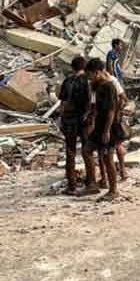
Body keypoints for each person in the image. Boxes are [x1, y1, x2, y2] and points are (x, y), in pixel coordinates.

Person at [85, 57, 125, 200]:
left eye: (90, 75)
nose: (89, 79)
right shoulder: (98, 86)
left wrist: (107, 131)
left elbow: (111, 111)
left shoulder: (108, 86)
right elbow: (97, 107)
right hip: (100, 125)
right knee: (87, 150)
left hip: (109, 126)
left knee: (108, 158)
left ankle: (113, 190)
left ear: (96, 73)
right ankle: (93, 184)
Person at [56, 56, 92, 195]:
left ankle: (71, 185)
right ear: (85, 67)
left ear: (72, 67)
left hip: (69, 120)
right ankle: (90, 182)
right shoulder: (87, 82)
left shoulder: (68, 81)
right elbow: (90, 102)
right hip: (84, 120)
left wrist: (61, 119)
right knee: (87, 151)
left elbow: (63, 104)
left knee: (70, 151)